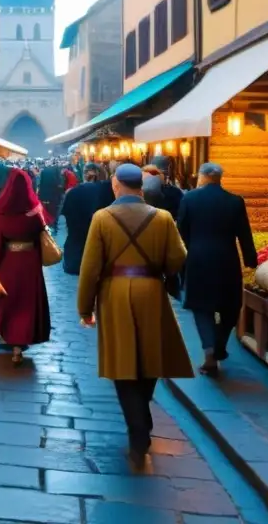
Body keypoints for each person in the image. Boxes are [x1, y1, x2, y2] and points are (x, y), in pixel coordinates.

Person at [77, 164, 193, 468]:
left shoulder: (102, 218)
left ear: (116, 185)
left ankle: (138, 428)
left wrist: (84, 308)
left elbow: (90, 269)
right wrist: (162, 271)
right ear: (141, 187)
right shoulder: (163, 218)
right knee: (149, 357)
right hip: (152, 291)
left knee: (122, 362)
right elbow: (179, 255)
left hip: (115, 293)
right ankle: (142, 416)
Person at [177, 162, 256, 376]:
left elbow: (180, 230)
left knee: (202, 308)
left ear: (202, 177)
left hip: (198, 259)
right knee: (230, 307)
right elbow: (244, 234)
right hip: (226, 259)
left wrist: (186, 251)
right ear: (219, 178)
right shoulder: (234, 201)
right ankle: (220, 342)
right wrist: (251, 260)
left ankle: (210, 350)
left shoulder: (189, 198)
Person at [0, 168, 51, 365]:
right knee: (27, 304)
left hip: (8, 264)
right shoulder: (35, 214)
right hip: (30, 264)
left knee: (10, 304)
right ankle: (22, 340)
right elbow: (41, 238)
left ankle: (10, 338)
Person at [59, 163, 113, 276]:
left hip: (76, 253)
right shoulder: (108, 191)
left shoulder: (73, 192)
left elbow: (66, 217)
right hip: (101, 251)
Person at [37, 165, 64, 231]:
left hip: (44, 196)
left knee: (46, 211)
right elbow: (59, 186)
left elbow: (41, 184)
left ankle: (46, 225)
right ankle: (53, 225)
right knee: (54, 211)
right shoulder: (56, 172)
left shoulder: (44, 172)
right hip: (54, 197)